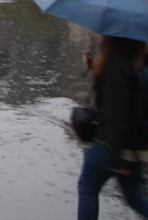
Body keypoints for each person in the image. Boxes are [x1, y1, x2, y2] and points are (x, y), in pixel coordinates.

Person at [77, 35, 148, 219]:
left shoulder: (117, 61)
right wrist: (95, 65)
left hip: (111, 143)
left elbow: (118, 111)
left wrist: (118, 160)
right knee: (134, 197)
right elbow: (127, 88)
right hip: (135, 145)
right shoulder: (136, 61)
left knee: (87, 187)